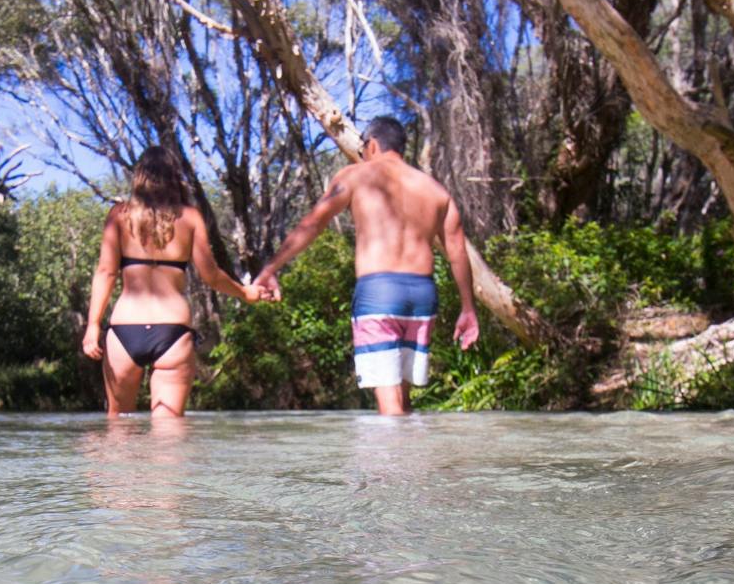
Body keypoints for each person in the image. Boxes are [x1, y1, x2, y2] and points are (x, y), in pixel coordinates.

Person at [254, 117, 478, 416]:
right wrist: (468, 309)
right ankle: (416, 462)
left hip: (379, 293)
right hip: (422, 296)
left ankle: (392, 464)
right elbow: (458, 253)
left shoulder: (356, 176)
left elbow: (312, 224)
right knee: (403, 399)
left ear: (371, 145)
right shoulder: (436, 191)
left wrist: (270, 269)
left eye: (362, 149)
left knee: (389, 407)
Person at [82, 148, 270, 416]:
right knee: (168, 438)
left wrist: (92, 326)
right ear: (174, 177)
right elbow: (211, 275)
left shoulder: (118, 216)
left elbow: (105, 273)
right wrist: (245, 293)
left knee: (117, 431)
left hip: (124, 330)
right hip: (173, 332)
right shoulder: (190, 217)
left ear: (139, 177)